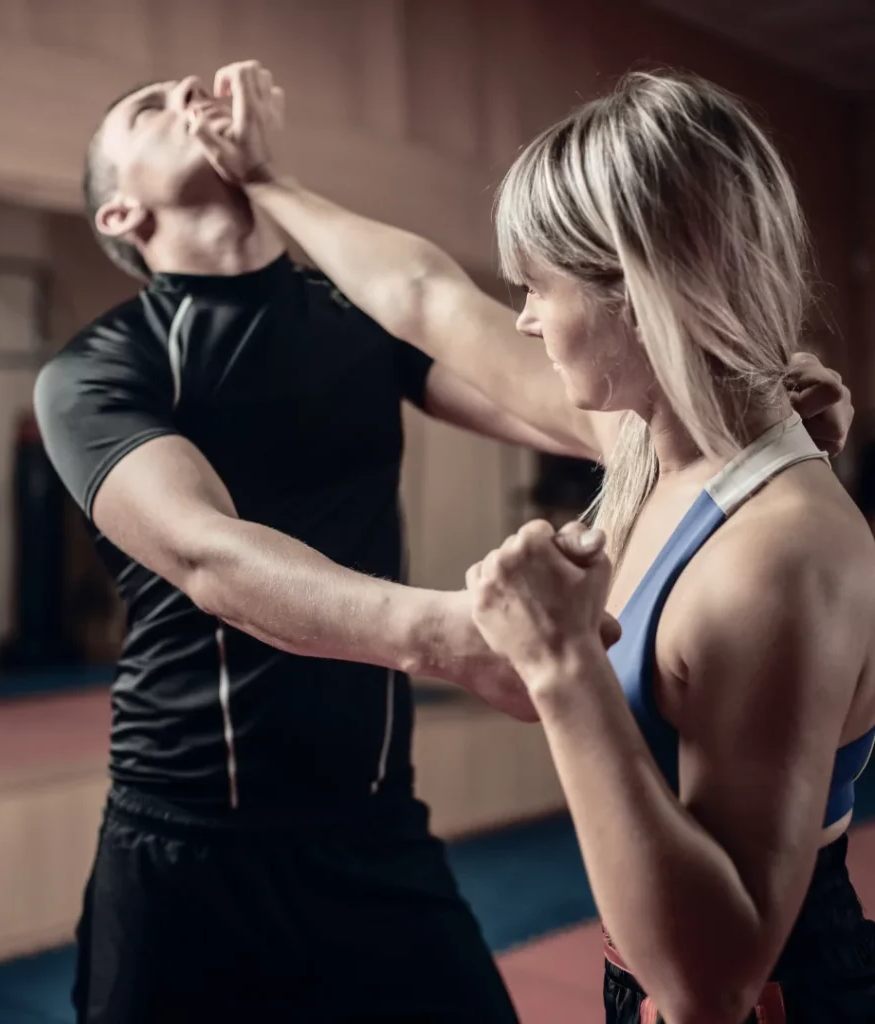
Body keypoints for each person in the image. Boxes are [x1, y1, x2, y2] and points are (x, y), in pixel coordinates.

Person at [200, 65, 875, 1023]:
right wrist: (266, 181)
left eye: (534, 287)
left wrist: (562, 665)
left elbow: (711, 984)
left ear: (636, 290)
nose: (519, 318)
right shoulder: (646, 446)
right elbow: (428, 298)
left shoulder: (778, 553)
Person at [35, 70, 637, 1024]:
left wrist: (739, 402)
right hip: (185, 847)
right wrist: (452, 635)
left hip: (373, 830)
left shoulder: (355, 317)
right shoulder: (97, 370)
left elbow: (583, 416)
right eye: (150, 108)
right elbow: (210, 557)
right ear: (121, 211)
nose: (188, 92)